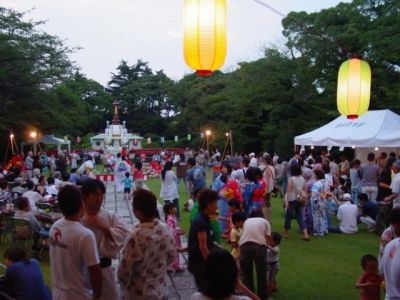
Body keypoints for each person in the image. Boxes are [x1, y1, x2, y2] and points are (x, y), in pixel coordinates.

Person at [118, 188, 176, 300]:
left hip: (139, 293)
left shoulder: (136, 237)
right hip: (161, 289)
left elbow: (123, 271)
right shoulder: (165, 230)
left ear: (137, 212)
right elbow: (172, 256)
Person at [49, 184, 102, 299]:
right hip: (78, 294)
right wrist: (96, 297)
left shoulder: (54, 228)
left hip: (58, 294)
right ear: (81, 205)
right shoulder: (84, 235)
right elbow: (95, 271)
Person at [81, 178, 130, 300]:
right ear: (85, 196)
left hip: (104, 267)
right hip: (82, 269)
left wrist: (104, 228)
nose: (99, 198)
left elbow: (124, 233)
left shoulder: (109, 216)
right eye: (95, 195)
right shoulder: (79, 218)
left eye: (101, 195)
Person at [188, 188, 219, 292]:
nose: (217, 206)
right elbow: (203, 246)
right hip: (200, 263)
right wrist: (213, 266)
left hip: (201, 262)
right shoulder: (201, 222)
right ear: (207, 204)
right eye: (215, 203)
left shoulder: (205, 219)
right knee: (205, 290)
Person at [239, 208, 271, 300]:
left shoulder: (246, 221)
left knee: (246, 274)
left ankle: (248, 297)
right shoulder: (265, 221)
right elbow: (267, 238)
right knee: (261, 274)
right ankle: (262, 297)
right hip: (259, 248)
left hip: (244, 247)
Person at [283, 163, 310, 240]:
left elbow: (288, 191)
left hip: (292, 199)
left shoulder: (291, 179)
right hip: (300, 199)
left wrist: (286, 201)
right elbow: (305, 190)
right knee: (300, 216)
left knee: (288, 216)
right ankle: (305, 233)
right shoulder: (303, 179)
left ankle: (285, 233)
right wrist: (306, 199)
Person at [163, 202, 185, 273]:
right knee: (174, 252)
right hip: (173, 239)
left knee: (175, 252)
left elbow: (174, 227)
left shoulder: (173, 218)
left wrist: (178, 230)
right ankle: (173, 267)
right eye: (174, 208)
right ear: (170, 210)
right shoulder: (170, 219)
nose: (176, 209)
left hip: (175, 238)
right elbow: (170, 230)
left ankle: (174, 266)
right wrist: (178, 232)